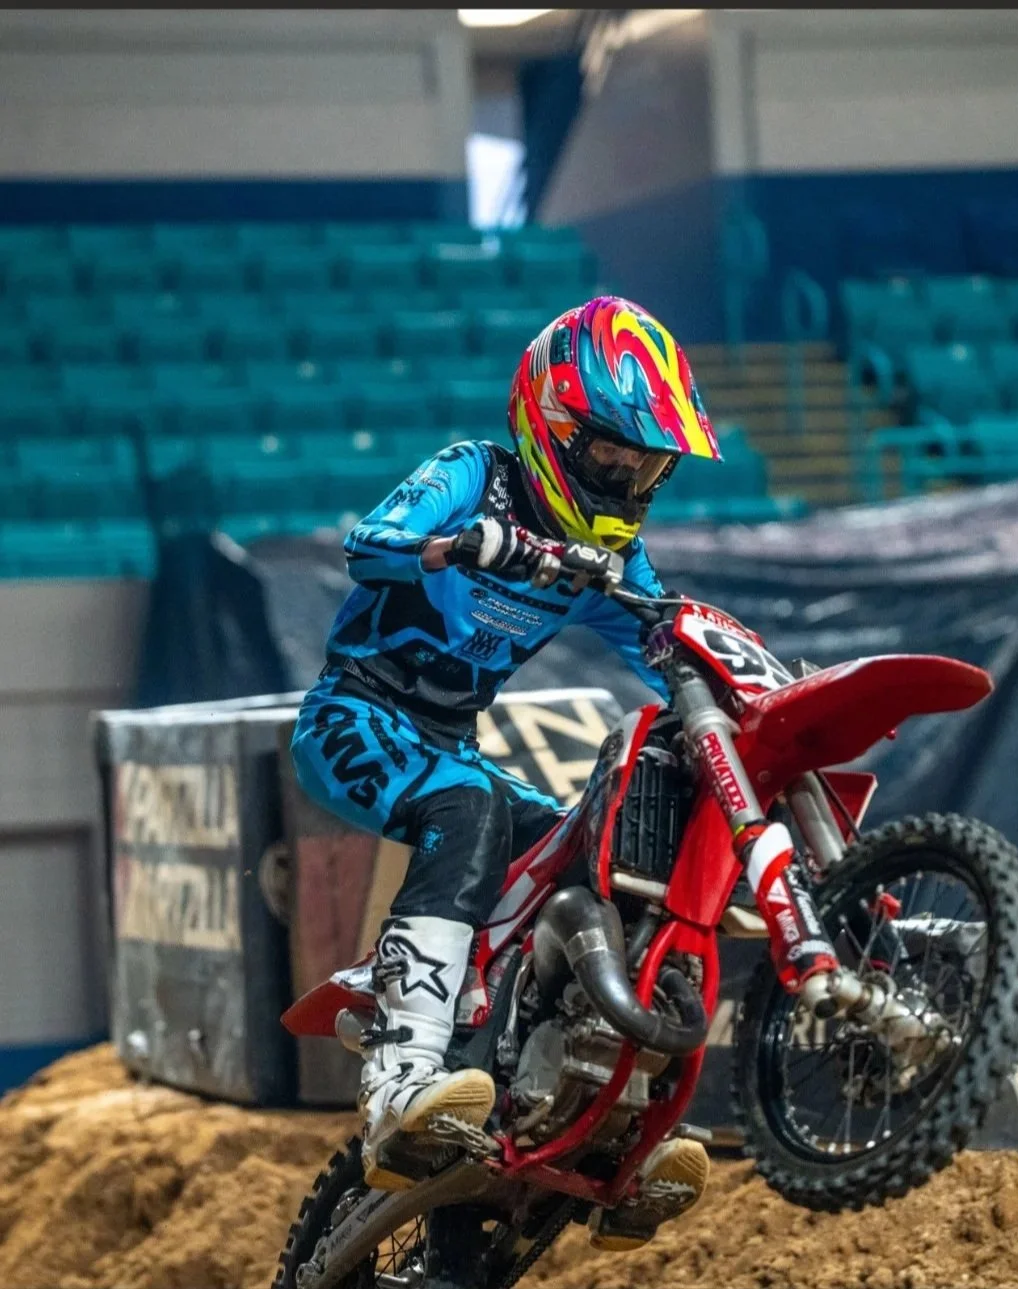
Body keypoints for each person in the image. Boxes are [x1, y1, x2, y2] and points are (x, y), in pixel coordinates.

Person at [290, 295, 723, 1247]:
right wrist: (466, 543)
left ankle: (567, 1098)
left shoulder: (603, 558)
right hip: (356, 714)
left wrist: (754, 675)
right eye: (613, 453)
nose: (628, 476)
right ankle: (399, 1076)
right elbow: (369, 545)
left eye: (648, 464)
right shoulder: (470, 474)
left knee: (592, 850)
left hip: (450, 743)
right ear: (554, 427)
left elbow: (669, 636)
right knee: (470, 806)